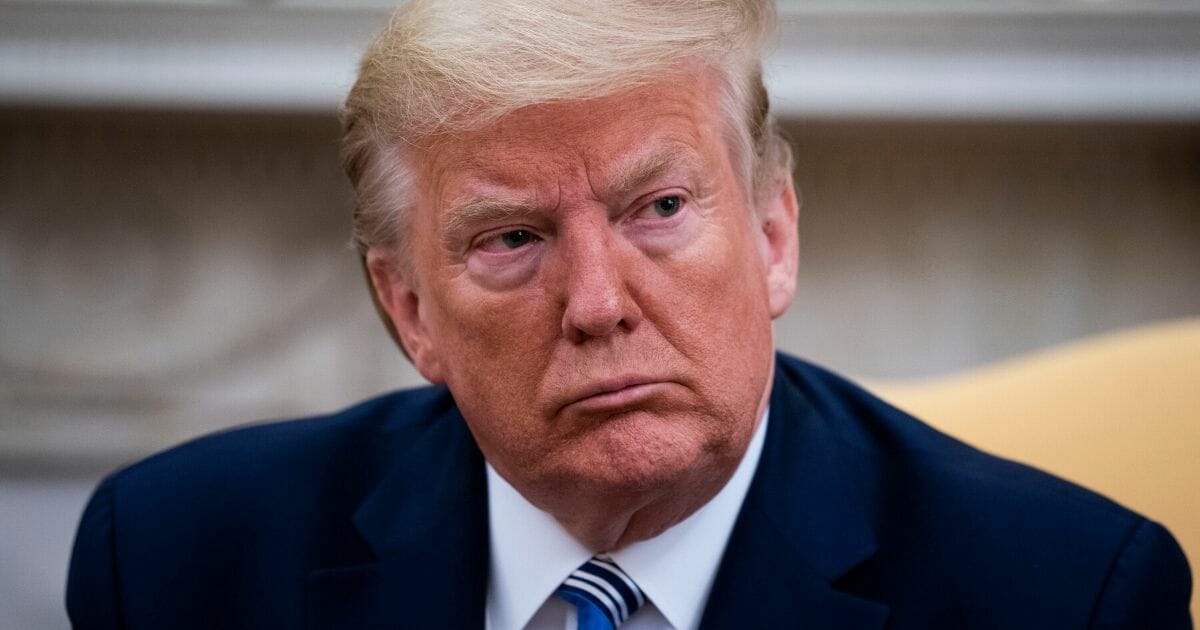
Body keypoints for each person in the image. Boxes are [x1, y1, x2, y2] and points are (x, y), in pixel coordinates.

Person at [66, 0, 1192, 628]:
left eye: (657, 208)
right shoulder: (180, 563)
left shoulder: (1064, 597)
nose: (599, 306)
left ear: (772, 236)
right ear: (409, 309)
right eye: (512, 239)